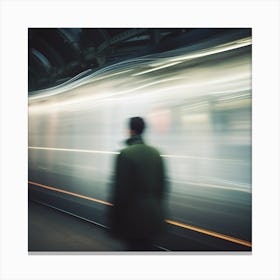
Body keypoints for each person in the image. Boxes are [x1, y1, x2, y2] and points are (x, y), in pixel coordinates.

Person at [109, 117, 168, 251]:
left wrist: (114, 219)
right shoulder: (156, 153)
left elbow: (121, 192)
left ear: (130, 130)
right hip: (154, 216)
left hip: (133, 218)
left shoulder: (125, 154)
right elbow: (163, 187)